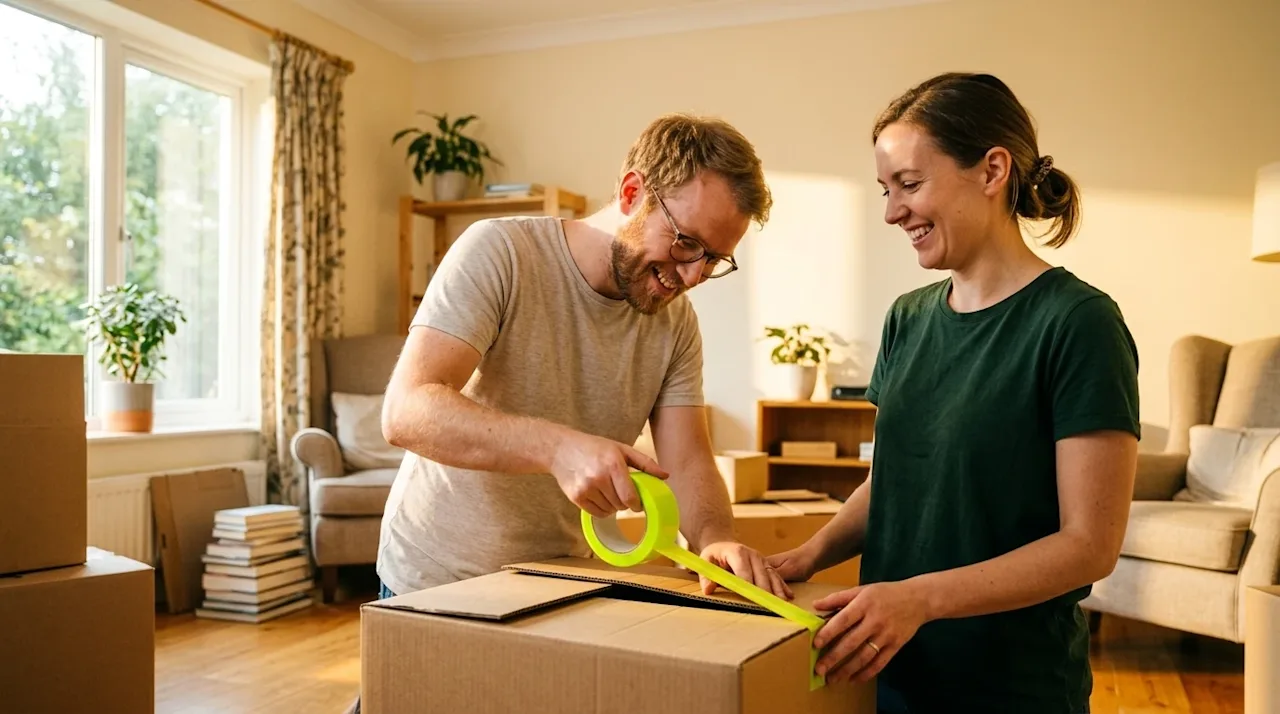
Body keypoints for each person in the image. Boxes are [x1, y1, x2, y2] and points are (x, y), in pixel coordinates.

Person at [765, 72, 1140, 713]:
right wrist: (805, 556)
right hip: (887, 668)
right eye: (886, 190)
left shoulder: (1079, 323)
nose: (891, 211)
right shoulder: (906, 319)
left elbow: (1089, 547)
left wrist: (918, 598)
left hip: (1012, 687)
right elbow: (894, 481)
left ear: (992, 170)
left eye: (909, 184)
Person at [376, 112, 795, 604]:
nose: (693, 276)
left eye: (714, 259)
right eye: (686, 243)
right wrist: (558, 449)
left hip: (562, 581)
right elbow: (406, 411)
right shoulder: (500, 252)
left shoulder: (676, 325)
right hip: (436, 576)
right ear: (632, 193)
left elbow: (688, 460)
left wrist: (714, 538)